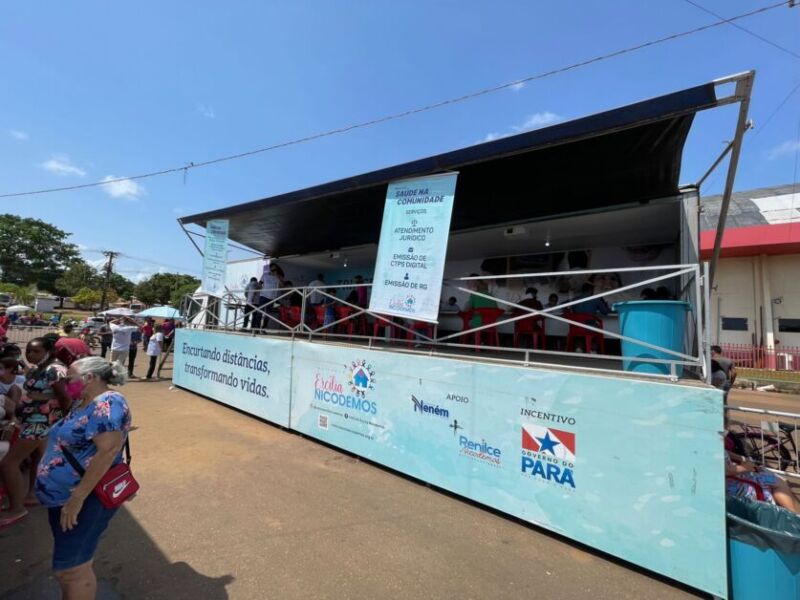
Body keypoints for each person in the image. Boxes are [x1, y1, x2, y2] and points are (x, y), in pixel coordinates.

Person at [35, 357, 131, 599]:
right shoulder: (84, 402)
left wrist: (76, 499)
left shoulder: (108, 404)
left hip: (84, 499)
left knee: (71, 570)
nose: (66, 384)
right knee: (72, 564)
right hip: (65, 498)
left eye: (70, 379)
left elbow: (108, 450)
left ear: (90, 378)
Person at [0, 337, 71, 528]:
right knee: (38, 458)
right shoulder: (40, 367)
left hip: (39, 423)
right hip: (33, 420)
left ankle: (17, 508)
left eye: (36, 351)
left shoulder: (54, 369)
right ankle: (32, 494)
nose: (30, 354)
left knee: (9, 463)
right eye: (29, 351)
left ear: (48, 351)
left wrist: (66, 422)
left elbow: (65, 397)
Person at [726, 451, 798, 513]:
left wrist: (743, 459)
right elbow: (727, 471)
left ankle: (794, 514)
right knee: (777, 483)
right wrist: (746, 466)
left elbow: (725, 452)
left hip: (737, 478)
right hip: (733, 487)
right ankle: (794, 516)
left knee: (776, 480)